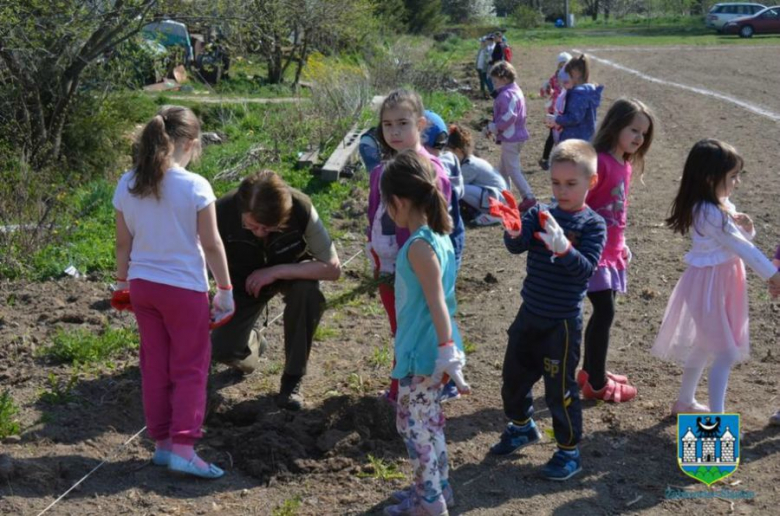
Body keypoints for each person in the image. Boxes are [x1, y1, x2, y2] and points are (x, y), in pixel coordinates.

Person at [112, 106, 234, 479]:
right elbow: (211, 244)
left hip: (143, 288)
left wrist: (121, 284)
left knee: (155, 365)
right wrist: (225, 288)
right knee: (190, 367)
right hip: (183, 289)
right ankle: (184, 447)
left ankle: (163, 446)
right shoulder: (196, 186)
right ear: (191, 144)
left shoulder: (127, 182)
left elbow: (122, 244)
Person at [489, 139, 606, 482]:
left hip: (562, 325)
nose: (562, 190)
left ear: (591, 182)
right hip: (530, 315)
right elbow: (516, 245)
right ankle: (521, 426)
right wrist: (512, 228)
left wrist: (565, 248)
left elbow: (586, 270)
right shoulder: (540, 213)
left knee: (560, 392)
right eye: (556, 182)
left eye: (571, 184)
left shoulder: (593, 225)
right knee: (513, 378)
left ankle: (569, 451)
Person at [651, 139, 780, 415]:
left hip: (720, 285)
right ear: (710, 178)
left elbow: (735, 240)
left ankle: (685, 402)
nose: (738, 182)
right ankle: (717, 420)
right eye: (733, 176)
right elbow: (740, 247)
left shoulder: (718, 204)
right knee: (725, 352)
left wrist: (749, 227)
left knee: (705, 344)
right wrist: (774, 275)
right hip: (709, 287)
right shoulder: (710, 212)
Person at [379, 149, 469, 516]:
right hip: (432, 349)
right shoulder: (439, 237)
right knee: (429, 422)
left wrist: (446, 349)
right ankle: (437, 489)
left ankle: (429, 502)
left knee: (412, 427)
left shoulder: (418, 246)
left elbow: (436, 302)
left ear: (398, 202)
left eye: (387, 204)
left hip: (422, 353)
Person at [211, 170, 341, 411]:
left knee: (307, 292)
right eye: (253, 225)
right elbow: (199, 257)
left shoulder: (301, 208)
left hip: (291, 271)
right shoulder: (220, 212)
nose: (260, 233)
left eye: (270, 228)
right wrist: (220, 291)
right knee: (222, 349)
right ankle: (253, 343)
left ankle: (292, 379)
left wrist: (276, 271)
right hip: (242, 281)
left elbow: (332, 268)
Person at [367, 89, 452, 404]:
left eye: (402, 123)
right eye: (387, 125)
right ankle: (403, 383)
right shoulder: (380, 171)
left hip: (416, 267)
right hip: (388, 267)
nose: (394, 131)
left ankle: (413, 387)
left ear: (421, 124)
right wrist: (373, 251)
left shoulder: (432, 172)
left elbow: (439, 225)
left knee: (417, 328)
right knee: (399, 329)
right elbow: (374, 214)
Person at [578, 98, 655, 403]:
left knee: (605, 311)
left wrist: (621, 245)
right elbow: (579, 204)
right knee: (604, 311)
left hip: (611, 253)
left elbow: (617, 211)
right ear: (615, 126)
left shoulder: (623, 163)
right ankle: (596, 383)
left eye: (644, 134)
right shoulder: (598, 162)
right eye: (634, 130)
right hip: (592, 252)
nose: (639, 138)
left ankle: (590, 370)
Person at [484, 61, 536, 213]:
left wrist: (494, 127)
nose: (493, 85)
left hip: (511, 137)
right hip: (516, 136)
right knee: (503, 169)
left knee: (512, 169)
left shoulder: (505, 95)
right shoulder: (515, 90)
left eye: (495, 81)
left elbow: (509, 117)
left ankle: (528, 196)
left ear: (504, 79)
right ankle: (506, 198)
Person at [422, 110, 465, 272]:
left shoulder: (431, 171)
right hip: (455, 238)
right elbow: (460, 192)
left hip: (442, 240)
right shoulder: (451, 158)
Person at [446, 123, 508, 226]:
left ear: (458, 151)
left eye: (449, 152)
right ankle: (479, 213)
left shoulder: (469, 165)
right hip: (495, 195)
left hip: (496, 197)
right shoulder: (468, 160)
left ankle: (491, 214)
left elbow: (454, 187)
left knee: (460, 188)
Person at [548, 54, 603, 143]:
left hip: (575, 141)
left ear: (575, 73)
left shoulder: (579, 94)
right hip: (585, 138)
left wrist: (556, 119)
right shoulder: (587, 91)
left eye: (568, 73)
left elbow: (574, 118)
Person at [538, 52, 571, 171]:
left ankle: (564, 160)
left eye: (566, 64)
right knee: (552, 135)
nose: (564, 67)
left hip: (566, 111)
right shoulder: (554, 78)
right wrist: (545, 88)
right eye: (561, 64)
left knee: (565, 135)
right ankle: (545, 159)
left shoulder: (572, 78)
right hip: (554, 111)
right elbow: (544, 93)